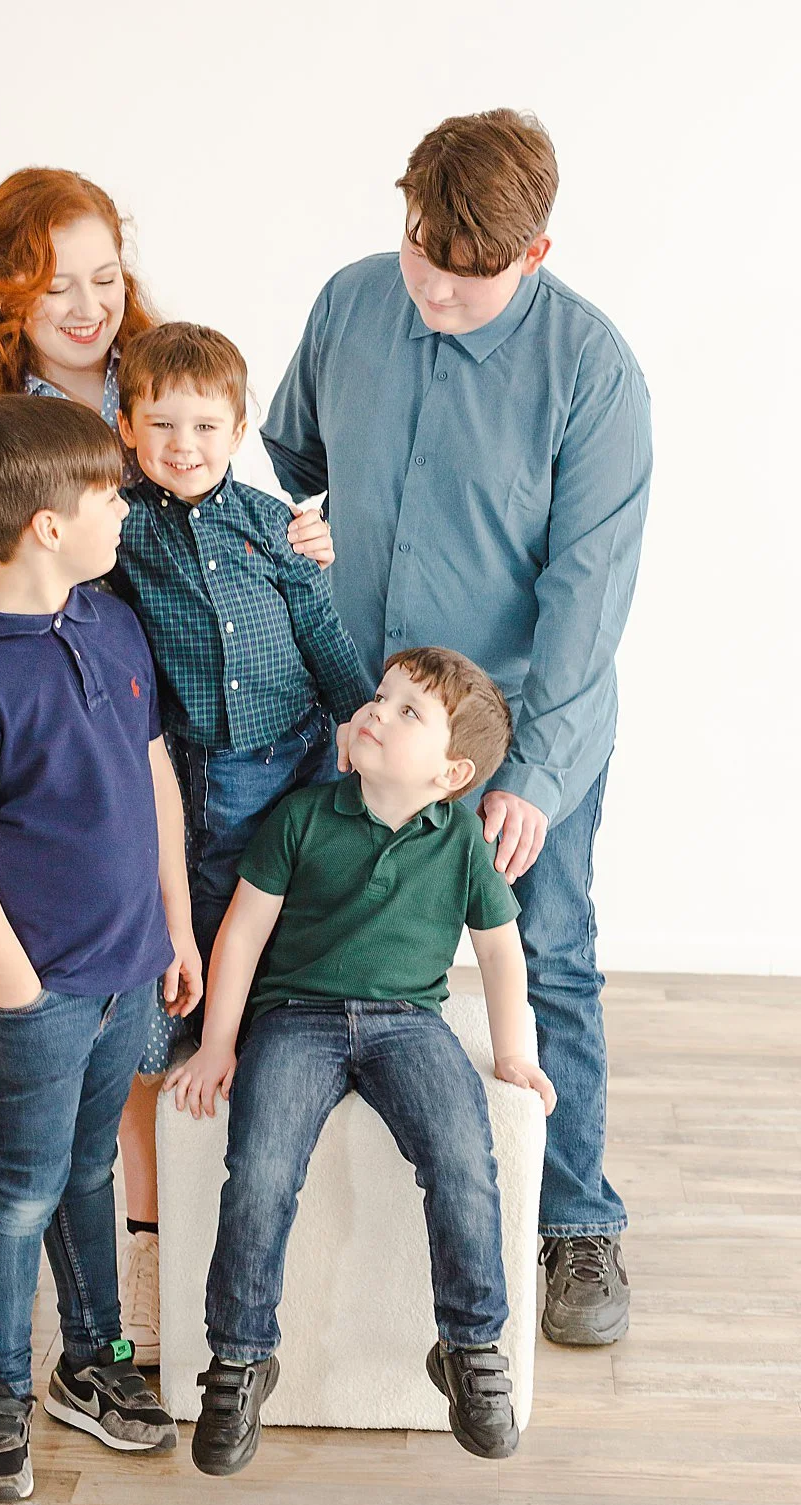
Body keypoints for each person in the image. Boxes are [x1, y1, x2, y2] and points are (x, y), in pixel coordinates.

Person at [0, 169, 335, 1364]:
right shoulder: (2, 413)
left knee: (132, 1029)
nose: (88, 305)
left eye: (104, 277)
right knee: (21, 1029)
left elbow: (232, 491)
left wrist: (299, 531)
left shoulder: (160, 388)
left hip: (162, 740)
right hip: (45, 749)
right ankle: (21, 1236)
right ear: (2, 292)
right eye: (56, 285)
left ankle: (125, 1254)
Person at [261, 109, 651, 1346]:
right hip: (359, 715)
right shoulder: (350, 301)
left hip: (513, 736)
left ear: (533, 255)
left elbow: (583, 603)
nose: (430, 286)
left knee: (545, 951)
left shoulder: (592, 374)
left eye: (466, 277)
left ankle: (577, 1221)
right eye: (420, 251)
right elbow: (289, 458)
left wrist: (525, 775)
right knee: (310, 940)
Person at [167, 647, 556, 1475]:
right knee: (263, 1167)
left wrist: (515, 1053)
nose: (377, 712)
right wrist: (217, 1044)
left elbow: (498, 952)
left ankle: (471, 1345)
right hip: (294, 1019)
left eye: (409, 712)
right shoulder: (303, 817)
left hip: (407, 1023)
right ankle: (239, 1358)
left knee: (462, 1157)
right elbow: (240, 936)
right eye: (382, 697)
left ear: (451, 774)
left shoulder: (460, 845)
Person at [0, 393, 199, 1502]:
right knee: (19, 1188)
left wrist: (172, 924)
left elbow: (153, 779)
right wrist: (20, 995)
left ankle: (91, 1360)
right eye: (103, 492)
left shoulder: (108, 620)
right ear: (43, 523)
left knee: (87, 1170)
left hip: (130, 971)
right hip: (33, 998)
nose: (122, 506)